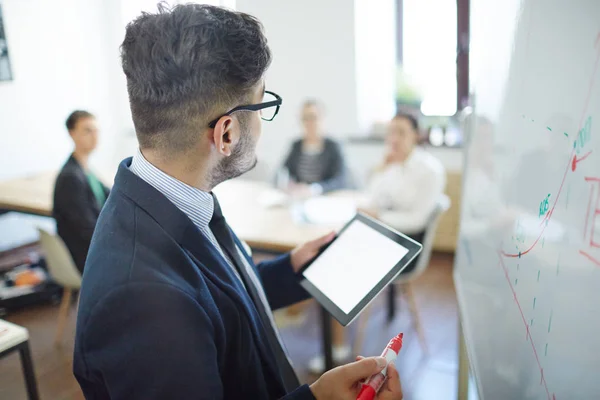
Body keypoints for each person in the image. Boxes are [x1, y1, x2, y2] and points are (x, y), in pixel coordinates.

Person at [73, 5, 402, 400]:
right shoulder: (143, 302)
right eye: (263, 106)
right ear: (226, 134)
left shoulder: (174, 196)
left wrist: (288, 271)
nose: (263, 124)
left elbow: (211, 306)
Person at [53, 110, 109, 275]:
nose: (94, 136)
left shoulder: (86, 170)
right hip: (86, 257)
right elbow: (87, 230)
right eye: (87, 131)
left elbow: (113, 196)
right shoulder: (71, 177)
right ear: (72, 134)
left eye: (96, 131)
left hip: (95, 249)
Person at [282, 100, 348, 196]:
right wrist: (288, 184)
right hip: (299, 196)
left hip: (324, 198)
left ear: (322, 118)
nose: (309, 122)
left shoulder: (333, 146)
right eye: (305, 118)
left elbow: (340, 180)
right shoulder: (296, 145)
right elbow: (284, 171)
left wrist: (315, 189)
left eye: (313, 117)